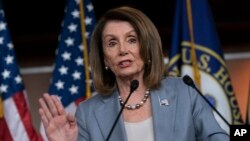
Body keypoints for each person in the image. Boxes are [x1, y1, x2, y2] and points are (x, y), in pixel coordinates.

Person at [38, 6, 229, 141]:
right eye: (112, 43)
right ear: (104, 58)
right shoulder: (88, 113)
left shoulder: (184, 92)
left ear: (146, 47)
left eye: (131, 39)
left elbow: (221, 137)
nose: (122, 50)